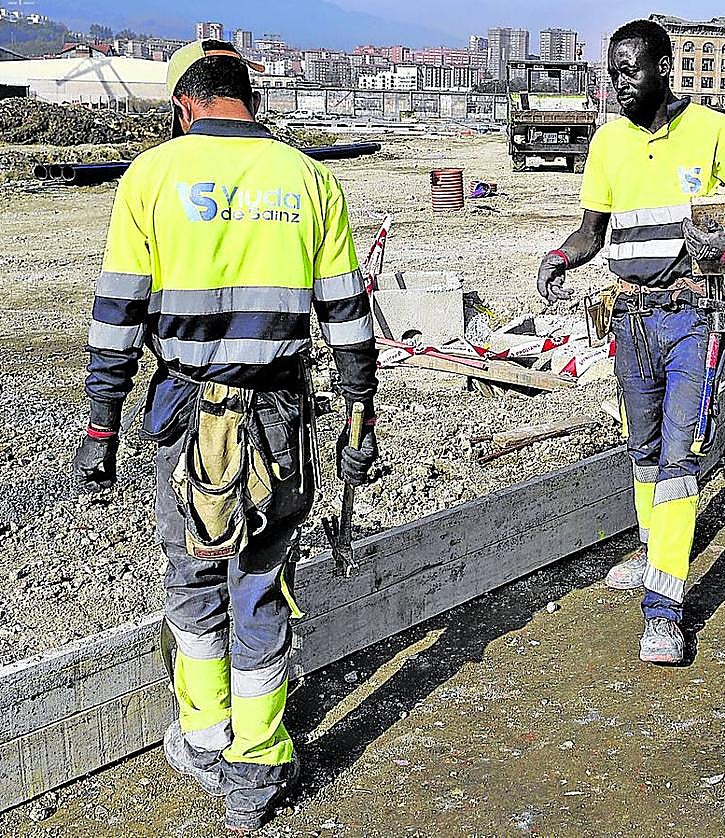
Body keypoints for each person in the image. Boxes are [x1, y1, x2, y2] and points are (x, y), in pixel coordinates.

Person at [70, 39, 379, 832]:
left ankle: (205, 739)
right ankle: (257, 764)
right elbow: (350, 322)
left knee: (193, 575)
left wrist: (101, 425)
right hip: (279, 416)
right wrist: (360, 421)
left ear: (184, 106)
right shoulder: (309, 179)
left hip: (182, 414)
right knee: (259, 579)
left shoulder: (151, 177)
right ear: (251, 100)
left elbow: (117, 319)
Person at [536, 19, 725, 664]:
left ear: (667, 68)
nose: (616, 81)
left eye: (631, 68)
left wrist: (722, 247)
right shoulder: (607, 142)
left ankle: (663, 607)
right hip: (626, 317)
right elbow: (594, 229)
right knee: (643, 449)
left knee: (679, 454)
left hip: (692, 317)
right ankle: (656, 558)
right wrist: (562, 256)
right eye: (611, 68)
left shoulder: (713, 131)